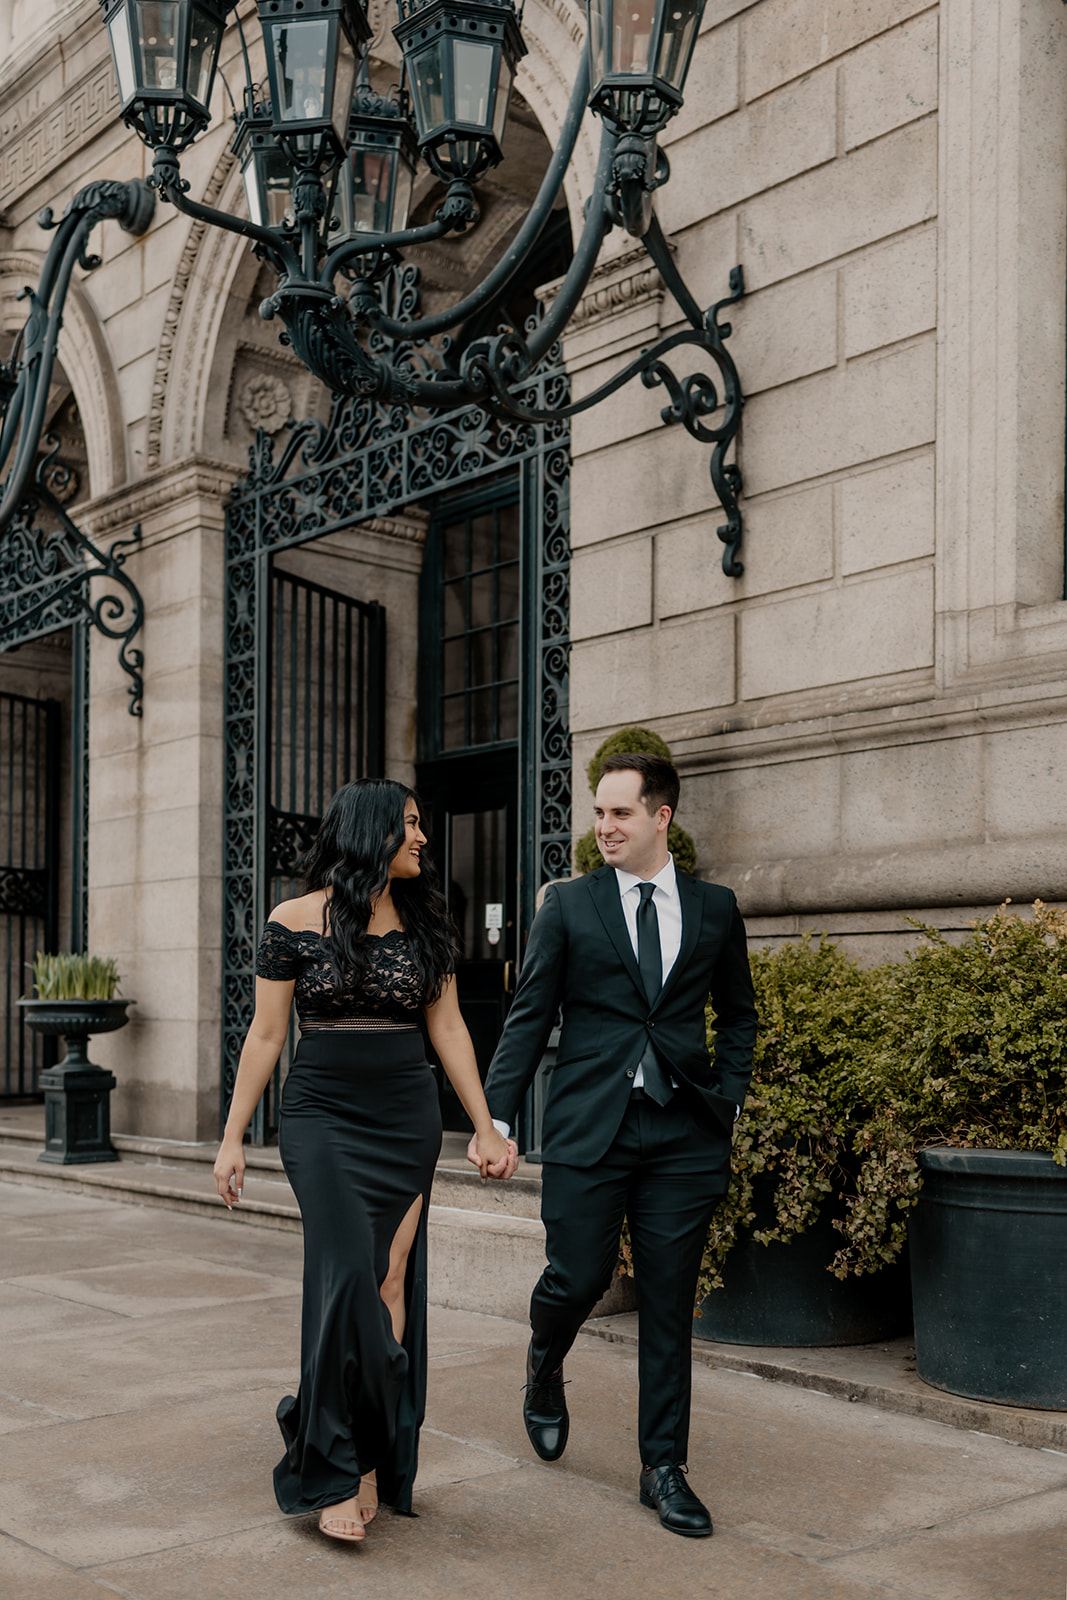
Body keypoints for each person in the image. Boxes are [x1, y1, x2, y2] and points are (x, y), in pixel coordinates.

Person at [214, 779, 518, 1543]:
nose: (422, 838)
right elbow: (266, 1035)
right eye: (410, 826)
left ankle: (371, 1460)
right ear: (373, 832)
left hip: (403, 1118)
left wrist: (484, 1128)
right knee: (347, 1272)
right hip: (320, 1117)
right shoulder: (290, 921)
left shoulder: (426, 924)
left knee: (386, 1278)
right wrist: (231, 1137)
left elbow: (448, 1031)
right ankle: (332, 1460)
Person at [469, 753, 757, 1538]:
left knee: (667, 1303)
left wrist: (725, 1105)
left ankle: (663, 1467)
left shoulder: (714, 908)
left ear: (661, 816)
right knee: (576, 1276)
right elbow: (528, 1016)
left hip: (682, 1134)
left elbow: (738, 1015)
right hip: (589, 1126)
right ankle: (542, 1363)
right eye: (598, 814)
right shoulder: (567, 906)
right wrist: (495, 1117)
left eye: (619, 814)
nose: (603, 828)